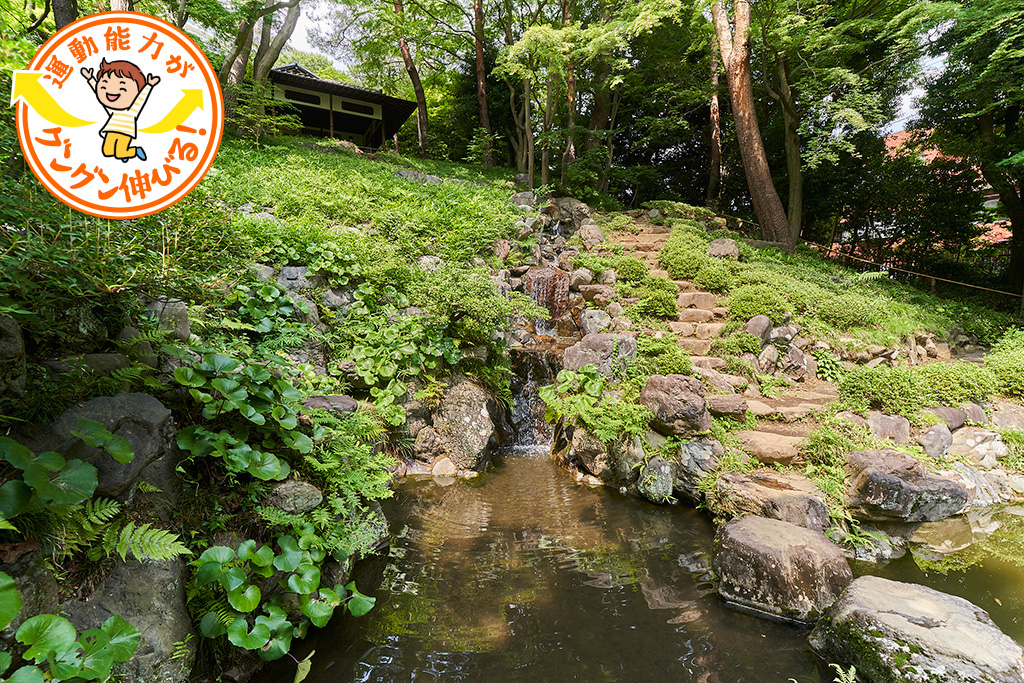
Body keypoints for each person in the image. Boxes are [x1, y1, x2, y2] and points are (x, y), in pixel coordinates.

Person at [81, 58, 160, 162]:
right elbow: (98, 90)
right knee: (107, 151)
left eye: (122, 85)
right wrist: (90, 78)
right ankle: (125, 154)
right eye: (105, 82)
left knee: (120, 153)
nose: (111, 90)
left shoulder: (133, 110)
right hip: (111, 130)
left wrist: (149, 85)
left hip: (125, 132)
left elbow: (142, 98)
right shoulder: (112, 110)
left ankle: (135, 151)